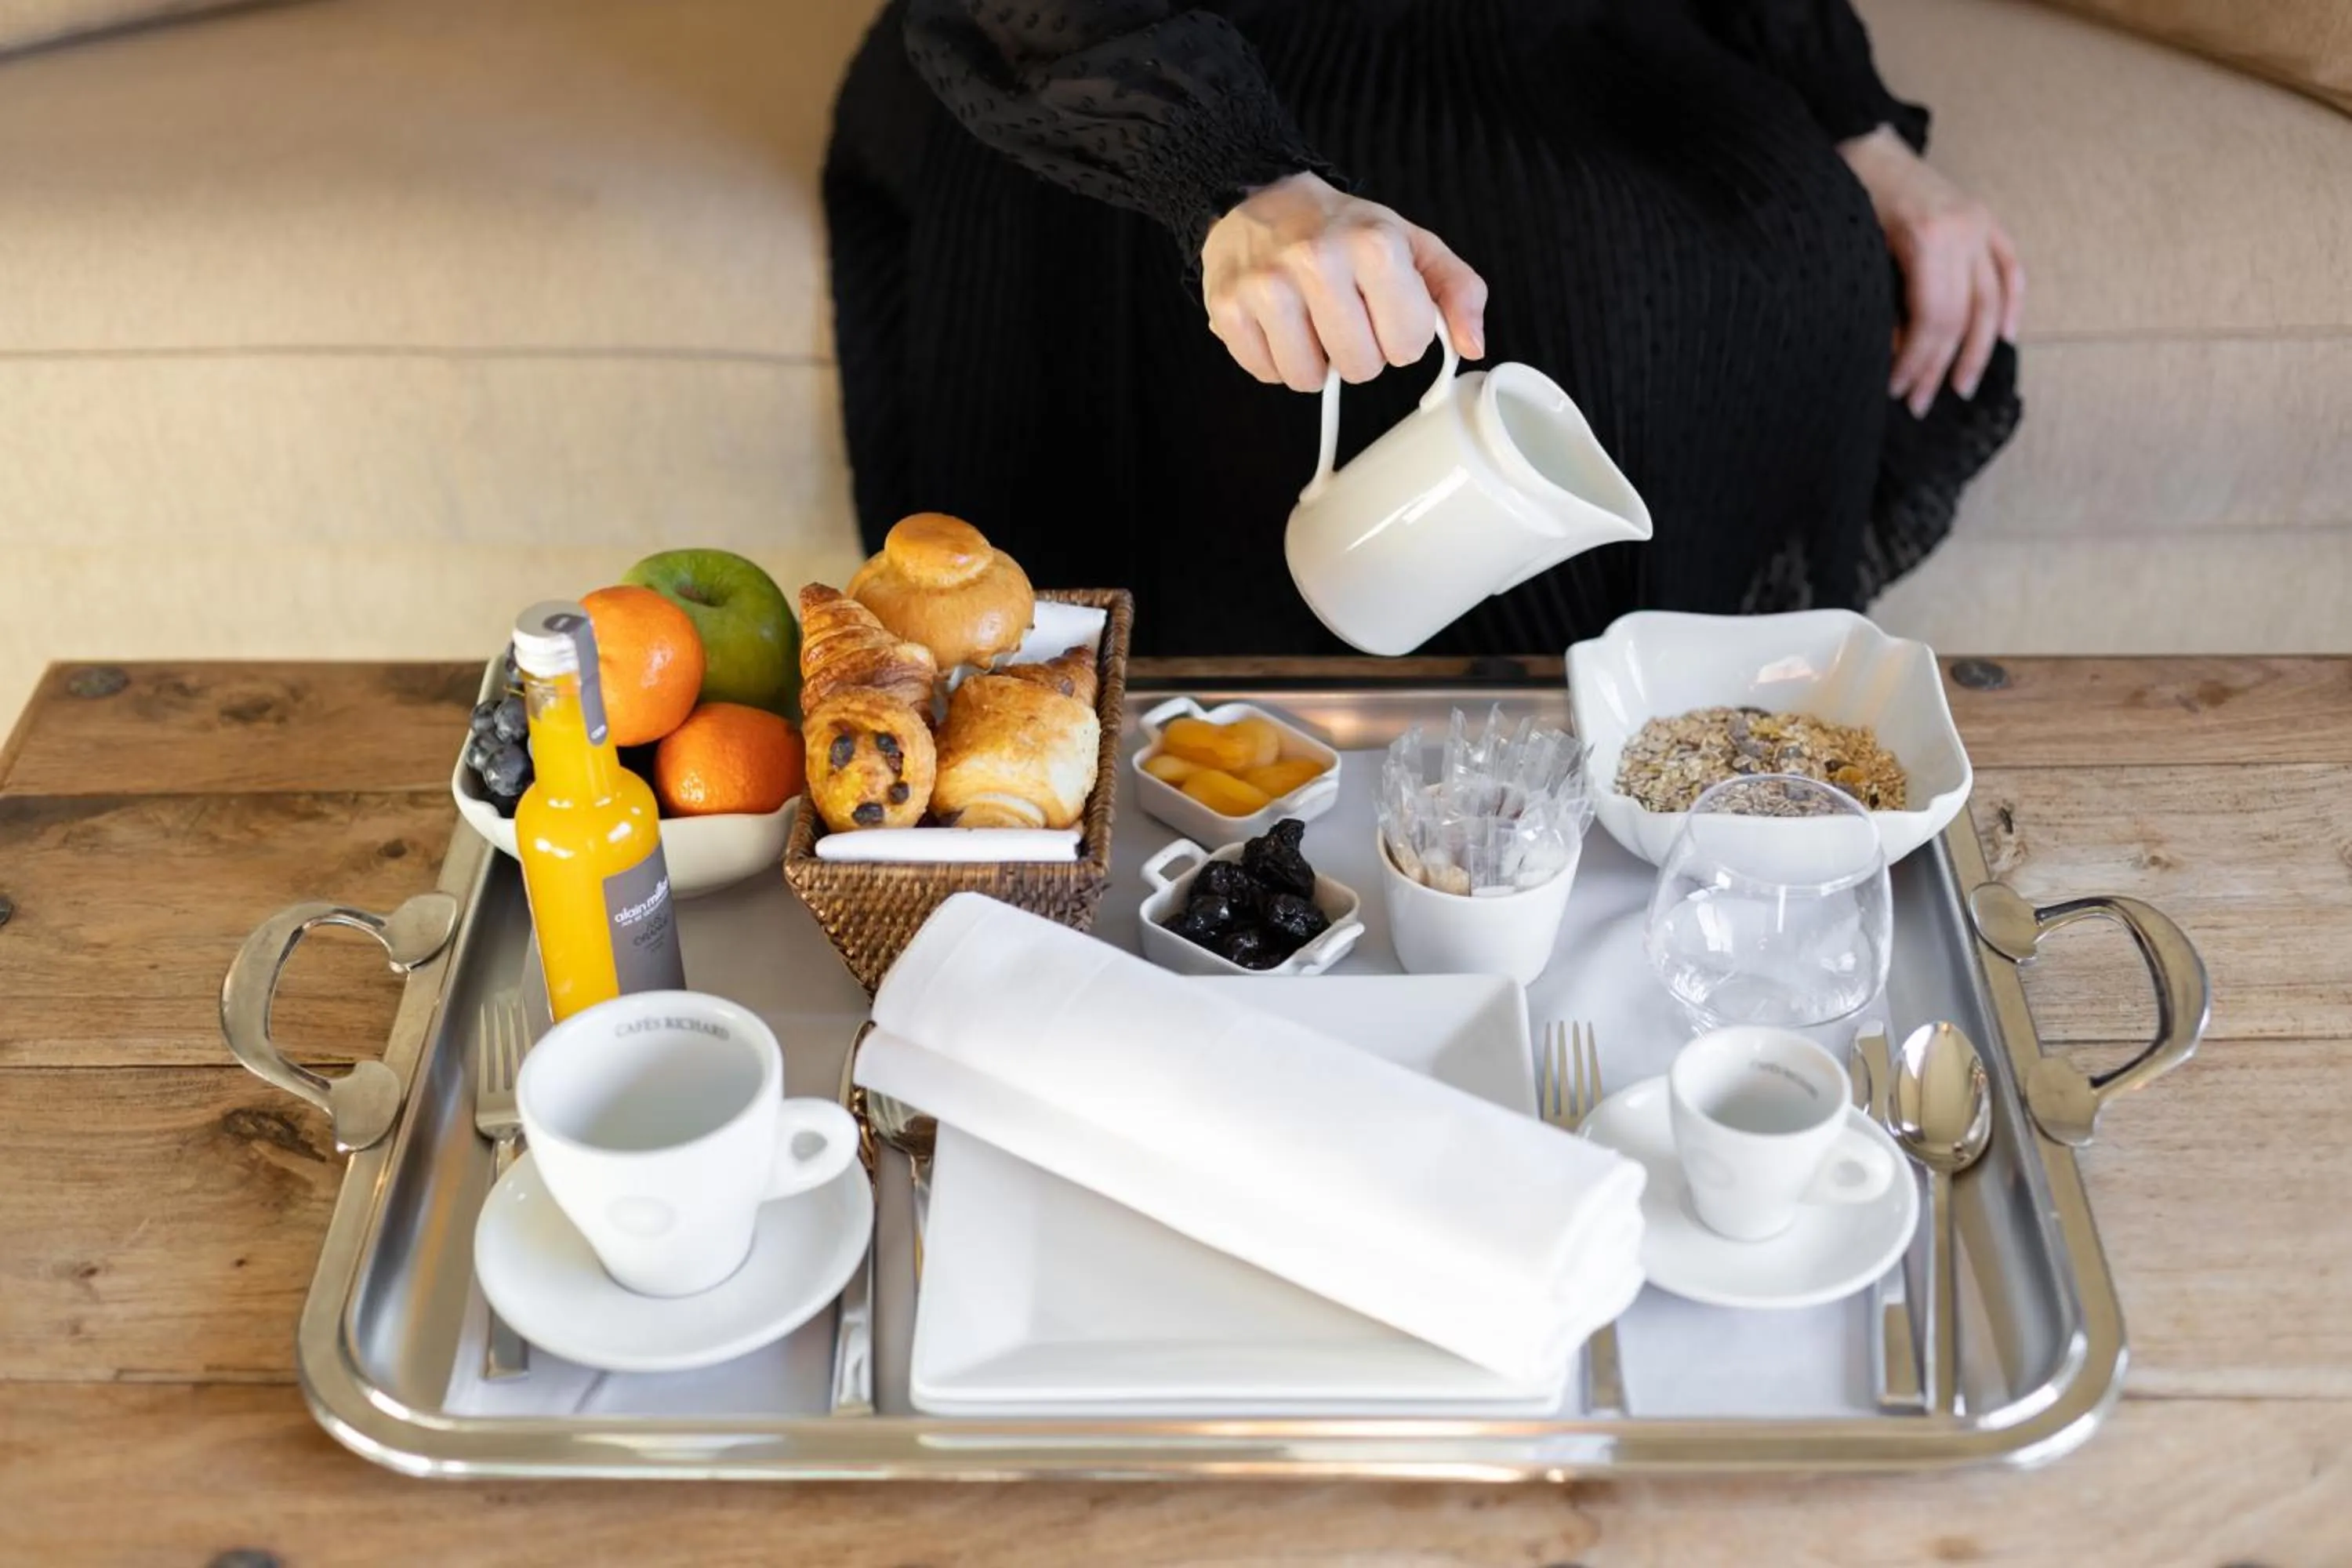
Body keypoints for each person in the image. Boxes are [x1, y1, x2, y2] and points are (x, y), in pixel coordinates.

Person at [825, 0, 2023, 655]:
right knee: (1493, 303)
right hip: (1157, 33)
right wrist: (1226, 171)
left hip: (1555, 33)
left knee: (1785, 238)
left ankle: (1644, 751)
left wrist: (1859, 131)